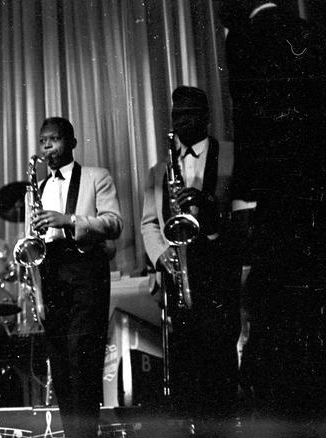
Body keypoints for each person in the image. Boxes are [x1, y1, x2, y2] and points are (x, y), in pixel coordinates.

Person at [222, 1, 326, 431]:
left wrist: (246, 205)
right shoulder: (310, 32)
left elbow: (250, 130)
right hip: (322, 208)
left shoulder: (245, 40)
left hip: (279, 211)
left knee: (277, 333)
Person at [140, 86, 240, 436]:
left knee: (222, 357)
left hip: (219, 267)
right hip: (178, 270)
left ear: (206, 116)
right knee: (187, 362)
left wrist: (208, 204)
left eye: (188, 113)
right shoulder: (159, 170)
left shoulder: (231, 155)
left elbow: (244, 212)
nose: (181, 120)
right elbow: (149, 223)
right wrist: (159, 253)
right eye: (176, 114)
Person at [32, 117, 123, 438]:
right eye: (43, 142)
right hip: (52, 272)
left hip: (86, 270)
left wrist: (68, 220)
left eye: (54, 140)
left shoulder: (97, 177)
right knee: (60, 363)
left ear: (71, 142)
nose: (47, 147)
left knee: (83, 356)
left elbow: (114, 223)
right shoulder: (38, 188)